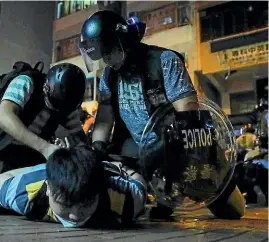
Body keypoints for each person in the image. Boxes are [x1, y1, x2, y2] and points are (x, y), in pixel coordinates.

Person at [79, 10, 245, 219]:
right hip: (139, 151)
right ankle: (160, 194)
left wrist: (164, 150)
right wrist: (98, 147)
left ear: (123, 41)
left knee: (233, 211)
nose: (107, 60)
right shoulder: (109, 77)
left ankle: (195, 186)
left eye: (109, 51)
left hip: (183, 148)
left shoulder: (164, 61)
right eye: (102, 55)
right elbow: (104, 120)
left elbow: (189, 115)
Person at [0, 63, 87, 197]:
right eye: (52, 105)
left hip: (29, 154)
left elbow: (79, 138)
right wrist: (45, 148)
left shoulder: (67, 104)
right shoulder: (26, 82)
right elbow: (3, 117)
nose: (55, 110)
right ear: (46, 89)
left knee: (33, 189)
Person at [0, 145, 147, 228]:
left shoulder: (126, 200)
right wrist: (49, 169)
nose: (75, 216)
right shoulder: (25, 193)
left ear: (99, 194)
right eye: (65, 204)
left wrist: (121, 169)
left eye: (87, 204)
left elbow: (139, 182)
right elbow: (2, 178)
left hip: (109, 169)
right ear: (48, 188)